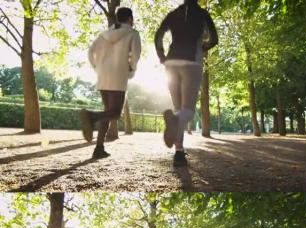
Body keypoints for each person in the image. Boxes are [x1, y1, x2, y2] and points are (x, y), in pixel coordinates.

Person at [154, 0, 218, 167]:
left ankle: (179, 153)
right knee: (187, 112)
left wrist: (161, 55)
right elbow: (214, 39)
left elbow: (158, 35)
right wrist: (203, 47)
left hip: (171, 62)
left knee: (178, 110)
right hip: (192, 62)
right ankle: (178, 150)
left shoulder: (173, 13)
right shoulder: (203, 14)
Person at [80, 7, 141, 159]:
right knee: (114, 113)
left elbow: (90, 52)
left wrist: (97, 67)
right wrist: (131, 71)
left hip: (102, 76)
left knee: (107, 113)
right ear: (129, 19)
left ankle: (99, 147)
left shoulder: (104, 34)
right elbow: (135, 54)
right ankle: (91, 116)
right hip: (118, 75)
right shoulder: (133, 34)